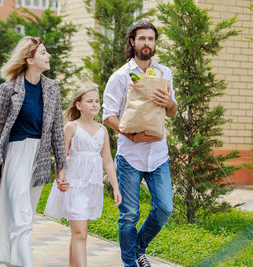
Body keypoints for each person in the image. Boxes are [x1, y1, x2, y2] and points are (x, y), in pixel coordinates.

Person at [0, 36, 68, 267]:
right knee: (22, 216)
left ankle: (11, 259)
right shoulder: (9, 89)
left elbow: (56, 131)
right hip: (15, 154)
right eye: (43, 52)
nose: (48, 56)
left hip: (39, 158)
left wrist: (61, 167)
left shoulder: (52, 88)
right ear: (29, 58)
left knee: (25, 216)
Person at [102, 21, 178, 267]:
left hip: (158, 155)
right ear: (132, 42)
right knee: (129, 216)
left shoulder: (164, 73)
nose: (147, 43)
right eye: (142, 38)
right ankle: (130, 264)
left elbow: (173, 112)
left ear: (155, 43)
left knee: (165, 208)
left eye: (151, 38)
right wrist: (132, 135)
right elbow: (108, 116)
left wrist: (169, 102)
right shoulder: (120, 76)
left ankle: (138, 247)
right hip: (130, 157)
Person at [44, 84, 122, 267]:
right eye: (90, 101)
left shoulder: (102, 130)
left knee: (78, 234)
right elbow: (61, 156)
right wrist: (60, 176)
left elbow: (108, 161)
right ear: (78, 105)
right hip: (74, 184)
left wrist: (116, 187)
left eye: (97, 101)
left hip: (92, 186)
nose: (95, 104)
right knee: (80, 233)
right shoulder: (71, 127)